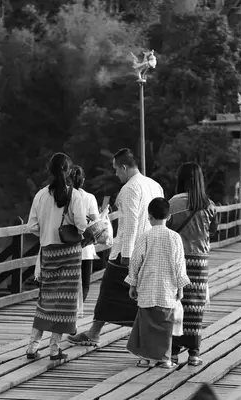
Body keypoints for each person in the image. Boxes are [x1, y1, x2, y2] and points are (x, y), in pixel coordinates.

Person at [68, 148, 164, 346]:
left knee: (109, 293)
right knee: (141, 295)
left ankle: (96, 333)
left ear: (124, 167)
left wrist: (126, 257)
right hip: (151, 247)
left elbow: (129, 225)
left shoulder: (130, 189)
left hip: (128, 251)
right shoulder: (155, 185)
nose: (116, 174)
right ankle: (98, 331)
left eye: (116, 170)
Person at [26, 153, 87, 360]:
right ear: (70, 171)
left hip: (48, 253)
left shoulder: (41, 195)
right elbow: (81, 225)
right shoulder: (75, 196)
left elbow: (32, 226)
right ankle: (54, 349)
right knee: (64, 304)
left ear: (49, 170)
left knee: (45, 302)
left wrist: (46, 234)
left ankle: (32, 347)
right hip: (69, 255)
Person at [125, 198, 190, 369]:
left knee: (146, 323)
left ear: (149, 216)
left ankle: (147, 358)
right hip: (168, 288)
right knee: (165, 324)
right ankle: (164, 358)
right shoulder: (175, 237)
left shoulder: (145, 235)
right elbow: (179, 263)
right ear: (168, 217)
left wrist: (132, 283)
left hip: (147, 286)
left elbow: (135, 261)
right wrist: (180, 287)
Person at [167, 162, 217, 367]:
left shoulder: (173, 203)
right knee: (196, 307)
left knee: (176, 304)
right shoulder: (209, 205)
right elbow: (212, 232)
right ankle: (194, 353)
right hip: (199, 262)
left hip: (177, 258)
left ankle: (174, 352)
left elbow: (167, 227)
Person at [70, 165, 99, 303]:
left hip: (67, 246)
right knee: (85, 283)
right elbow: (96, 221)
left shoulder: (64, 196)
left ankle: (67, 312)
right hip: (85, 247)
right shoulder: (89, 197)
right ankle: (78, 310)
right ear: (83, 180)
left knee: (68, 284)